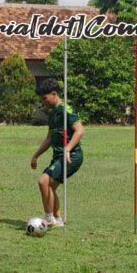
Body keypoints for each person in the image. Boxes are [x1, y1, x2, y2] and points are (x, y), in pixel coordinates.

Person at [30, 78, 84, 228]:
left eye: (44, 98)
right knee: (50, 187)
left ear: (54, 94)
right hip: (58, 156)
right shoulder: (53, 114)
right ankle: (58, 219)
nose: (43, 102)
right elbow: (49, 139)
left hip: (72, 156)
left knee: (43, 182)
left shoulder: (66, 110)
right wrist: (36, 155)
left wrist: (67, 148)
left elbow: (80, 131)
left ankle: (48, 219)